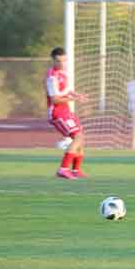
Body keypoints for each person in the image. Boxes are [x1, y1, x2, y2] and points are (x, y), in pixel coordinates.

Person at [46, 47, 88, 179]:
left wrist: (77, 95)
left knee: (81, 138)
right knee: (78, 137)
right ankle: (63, 169)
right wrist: (74, 99)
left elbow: (67, 91)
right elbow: (55, 99)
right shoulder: (51, 77)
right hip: (57, 112)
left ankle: (75, 170)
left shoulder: (64, 73)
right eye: (58, 61)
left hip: (65, 110)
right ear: (53, 60)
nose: (62, 64)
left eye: (64, 61)